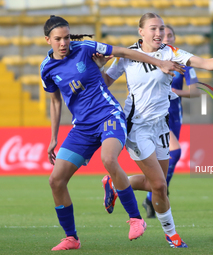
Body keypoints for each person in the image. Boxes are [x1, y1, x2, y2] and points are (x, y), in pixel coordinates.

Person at [95, 12, 213, 248]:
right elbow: (103, 83)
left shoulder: (171, 52)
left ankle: (117, 183)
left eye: (161, 29)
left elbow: (206, 63)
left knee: (157, 185)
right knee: (159, 185)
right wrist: (97, 68)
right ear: (141, 32)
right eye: (153, 29)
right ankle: (172, 234)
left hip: (161, 126)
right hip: (137, 126)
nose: (158, 33)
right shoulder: (127, 55)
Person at [40, 15, 184, 251]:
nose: (64, 43)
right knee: (55, 181)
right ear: (48, 40)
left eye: (67, 37)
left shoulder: (85, 47)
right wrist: (53, 137)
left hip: (109, 115)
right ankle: (71, 238)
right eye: (58, 39)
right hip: (82, 126)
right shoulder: (47, 68)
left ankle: (136, 219)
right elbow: (55, 101)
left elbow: (124, 53)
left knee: (108, 158)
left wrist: (158, 62)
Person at [142, 25, 200, 218]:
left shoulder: (184, 62)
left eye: (169, 35)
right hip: (156, 115)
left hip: (175, 115)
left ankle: (154, 197)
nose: (165, 37)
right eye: (162, 34)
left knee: (165, 158)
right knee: (174, 152)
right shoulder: (150, 60)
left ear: (174, 38)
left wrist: (176, 92)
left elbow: (196, 91)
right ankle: (156, 194)